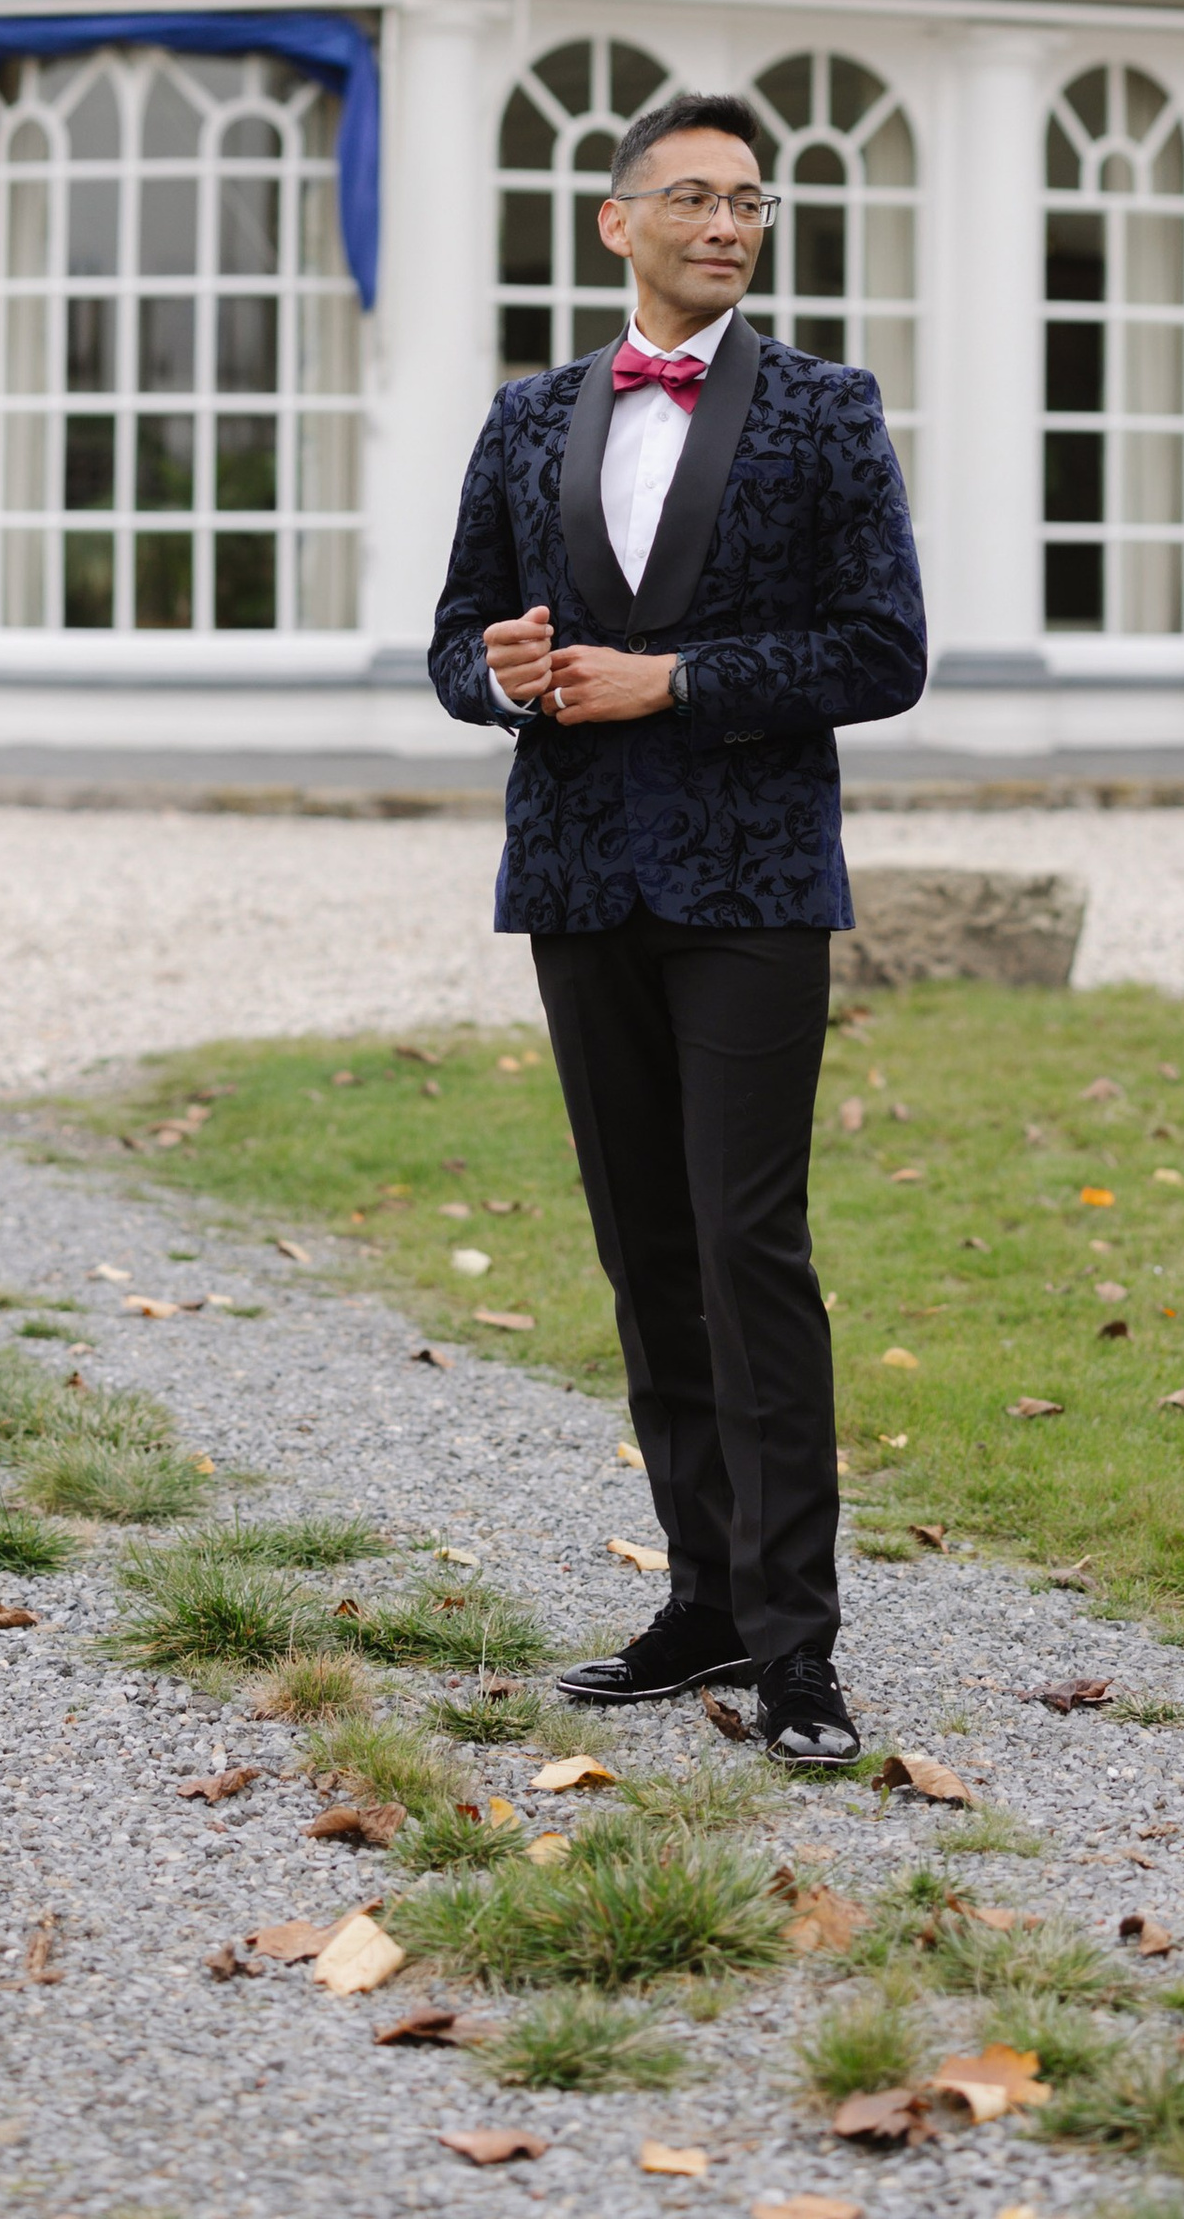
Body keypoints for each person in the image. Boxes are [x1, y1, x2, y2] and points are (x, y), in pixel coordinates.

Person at [428, 87, 927, 1764]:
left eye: (754, 203)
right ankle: (703, 1600)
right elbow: (448, 648)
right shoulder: (522, 420)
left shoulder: (824, 412)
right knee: (647, 1259)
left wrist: (683, 682)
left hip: (751, 887)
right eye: (698, 198)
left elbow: (884, 654)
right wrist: (498, 681)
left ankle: (799, 1648)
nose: (729, 225)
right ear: (616, 221)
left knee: (747, 1252)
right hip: (577, 883)